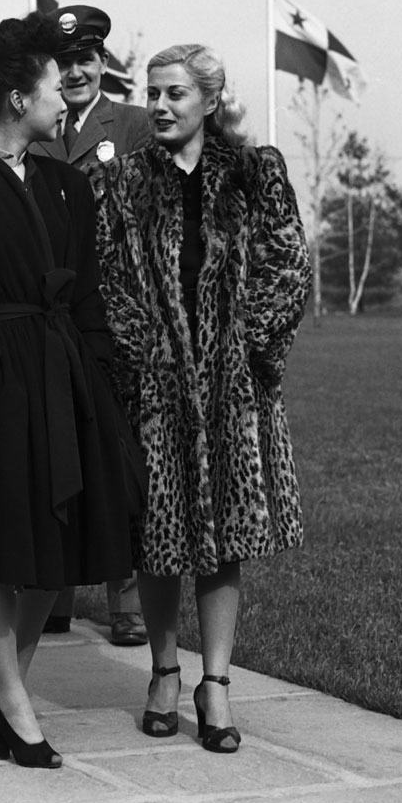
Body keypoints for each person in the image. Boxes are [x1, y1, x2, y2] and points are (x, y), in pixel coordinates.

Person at [0, 14, 136, 768]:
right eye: (49, 89)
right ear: (17, 98)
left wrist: (98, 373)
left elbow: (89, 295)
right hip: (0, 384)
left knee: (60, 545)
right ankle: (13, 701)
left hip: (65, 374)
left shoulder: (68, 185)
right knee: (4, 548)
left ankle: (14, 686)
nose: (62, 100)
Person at [95, 44, 309, 752]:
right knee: (157, 538)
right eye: (153, 92)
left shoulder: (256, 171)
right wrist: (143, 355)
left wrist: (246, 348)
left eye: (175, 93)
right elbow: (109, 278)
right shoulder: (124, 181)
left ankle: (214, 683)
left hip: (230, 388)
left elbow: (288, 265)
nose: (159, 105)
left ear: (210, 100)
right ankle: (163, 669)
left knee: (222, 538)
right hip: (153, 386)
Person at [29, 4, 154, 646]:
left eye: (86, 60)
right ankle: (52, 592)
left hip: (117, 315)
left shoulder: (132, 125)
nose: (75, 73)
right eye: (63, 62)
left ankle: (126, 602)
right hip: (51, 316)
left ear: (103, 62)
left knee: (118, 454)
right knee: (57, 451)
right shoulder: (31, 124)